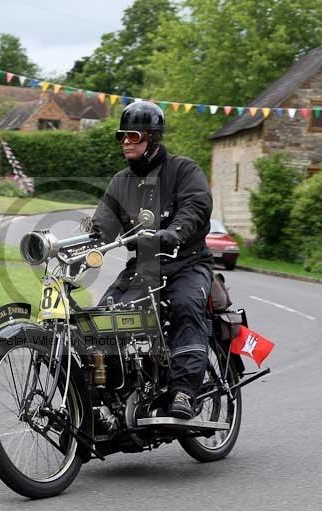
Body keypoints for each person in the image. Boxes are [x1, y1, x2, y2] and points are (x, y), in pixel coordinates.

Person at [91, 101, 214, 420]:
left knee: (185, 305)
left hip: (187, 263)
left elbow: (196, 206)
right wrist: (78, 245)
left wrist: (175, 231)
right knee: (101, 319)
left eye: (133, 135)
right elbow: (103, 225)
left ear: (153, 137)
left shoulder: (183, 170)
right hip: (143, 268)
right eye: (121, 136)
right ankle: (111, 398)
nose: (126, 142)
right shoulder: (121, 182)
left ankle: (185, 391)